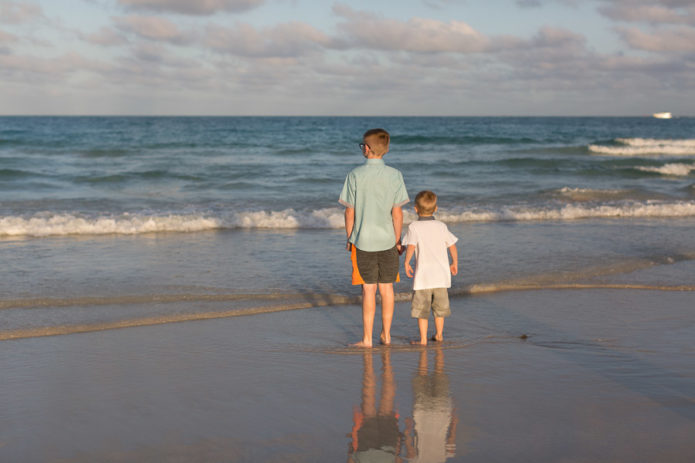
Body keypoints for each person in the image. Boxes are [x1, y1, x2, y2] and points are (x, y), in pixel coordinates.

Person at [339, 128, 409, 347]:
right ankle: (386, 335)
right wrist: (398, 240)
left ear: (367, 149)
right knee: (387, 289)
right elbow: (397, 213)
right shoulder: (395, 175)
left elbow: (349, 211)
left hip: (363, 240)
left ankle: (367, 338)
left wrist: (350, 238)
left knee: (368, 289)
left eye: (363, 146)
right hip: (388, 239)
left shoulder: (355, 175)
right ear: (385, 150)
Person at [402, 191, 458, 345]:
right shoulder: (441, 226)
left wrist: (406, 263)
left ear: (415, 209)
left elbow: (411, 246)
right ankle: (439, 335)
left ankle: (422, 339)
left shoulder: (414, 226)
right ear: (436, 209)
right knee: (440, 309)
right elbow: (452, 245)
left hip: (424, 277)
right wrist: (454, 263)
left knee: (422, 310)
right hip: (441, 276)